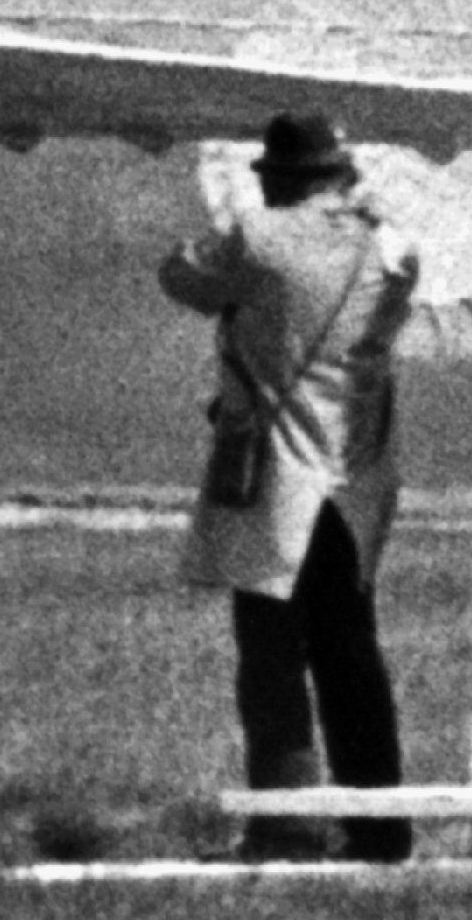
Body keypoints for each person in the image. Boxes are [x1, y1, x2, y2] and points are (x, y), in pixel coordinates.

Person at [160, 108, 422, 861]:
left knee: (271, 649)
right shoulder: (393, 249)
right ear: (341, 175)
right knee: (351, 649)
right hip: (358, 479)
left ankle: (287, 818)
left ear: (275, 178)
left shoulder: (255, 237)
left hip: (275, 473)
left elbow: (179, 274)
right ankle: (379, 821)